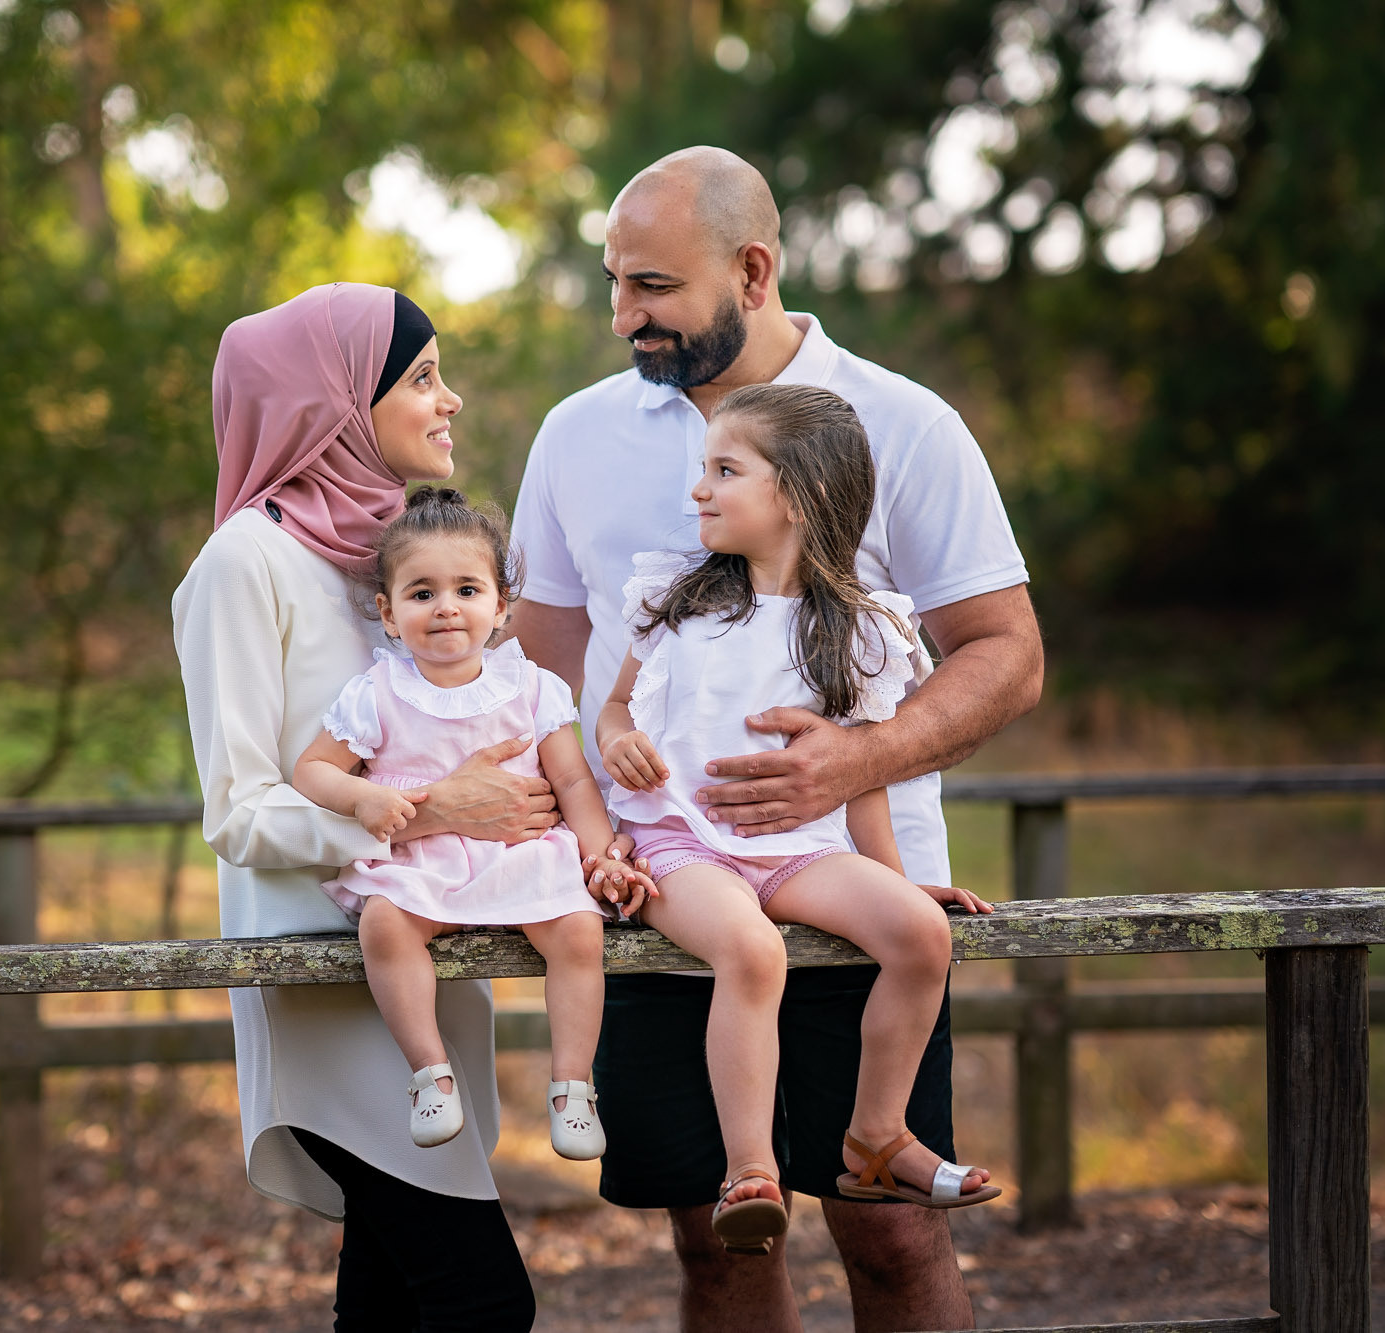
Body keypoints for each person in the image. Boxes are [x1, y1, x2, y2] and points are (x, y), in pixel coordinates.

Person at [510, 148, 1043, 1332]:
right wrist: (566, 826)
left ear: (752, 270)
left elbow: (1004, 649)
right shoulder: (573, 435)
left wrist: (861, 760)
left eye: (649, 286)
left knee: (892, 1233)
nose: (620, 315)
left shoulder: (902, 423)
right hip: (659, 881)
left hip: (850, 871)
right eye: (611, 281)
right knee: (715, 1243)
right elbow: (535, 661)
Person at [173, 282, 567, 1331]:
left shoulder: (404, 559)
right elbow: (239, 808)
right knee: (479, 1299)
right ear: (332, 401)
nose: (452, 401)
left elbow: (514, 737)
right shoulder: (242, 563)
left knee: (391, 1304)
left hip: (428, 973)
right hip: (322, 978)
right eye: (423, 378)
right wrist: (429, 809)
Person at [596, 382, 1001, 1255]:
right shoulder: (674, 597)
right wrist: (620, 738)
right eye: (703, 468)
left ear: (799, 494)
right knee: (751, 948)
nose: (699, 489)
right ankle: (750, 1170)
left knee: (921, 936)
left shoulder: (861, 629)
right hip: (680, 843)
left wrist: (895, 881)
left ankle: (876, 1136)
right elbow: (616, 707)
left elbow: (864, 776)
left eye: (725, 469)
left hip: (799, 851)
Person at [292, 486, 655, 1160]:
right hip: (422, 857)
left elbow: (572, 778)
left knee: (577, 930)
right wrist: (358, 797)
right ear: (389, 612)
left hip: (522, 850)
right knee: (383, 924)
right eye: (421, 593)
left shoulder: (532, 686)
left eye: (466, 588)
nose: (446, 607)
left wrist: (601, 853)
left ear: (501, 607)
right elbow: (311, 769)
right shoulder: (376, 693)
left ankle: (573, 1086)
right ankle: (430, 1073)